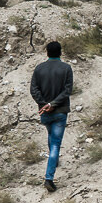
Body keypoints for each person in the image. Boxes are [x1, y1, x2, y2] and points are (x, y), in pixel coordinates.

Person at [29, 40, 73, 192]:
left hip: (45, 112)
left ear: (47, 52)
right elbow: (67, 90)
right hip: (60, 111)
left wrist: (44, 104)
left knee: (50, 135)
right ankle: (49, 178)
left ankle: (54, 161)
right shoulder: (66, 68)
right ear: (60, 52)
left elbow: (33, 89)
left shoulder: (39, 68)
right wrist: (53, 104)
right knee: (55, 144)